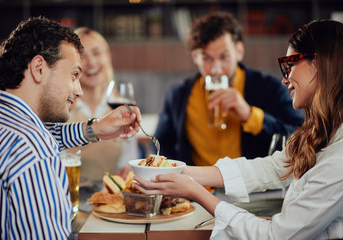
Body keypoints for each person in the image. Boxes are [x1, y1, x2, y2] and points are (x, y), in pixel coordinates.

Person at [134, 19, 343, 239]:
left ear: (318, 64)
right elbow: (273, 167)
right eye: (207, 58)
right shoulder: (323, 132)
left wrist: (194, 190)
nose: (286, 78)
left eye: (290, 64)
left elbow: (276, 236)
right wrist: (180, 172)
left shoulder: (337, 160)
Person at [0, 17, 140, 239]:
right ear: (39, 68)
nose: (79, 90)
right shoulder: (35, 151)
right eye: (74, 75)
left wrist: (95, 129)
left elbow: (36, 134)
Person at [155, 12, 304, 167]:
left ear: (239, 51)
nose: (216, 70)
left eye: (224, 57)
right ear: (195, 57)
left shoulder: (271, 88)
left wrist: (250, 115)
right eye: (207, 58)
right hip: (198, 187)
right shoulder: (177, 95)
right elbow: (160, 146)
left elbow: (299, 137)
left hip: (254, 189)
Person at [70, 27, 139, 180]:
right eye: (82, 56)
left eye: (96, 53)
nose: (91, 62)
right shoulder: (62, 110)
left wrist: (127, 171)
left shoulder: (124, 108)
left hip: (111, 198)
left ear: (108, 57)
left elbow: (128, 164)